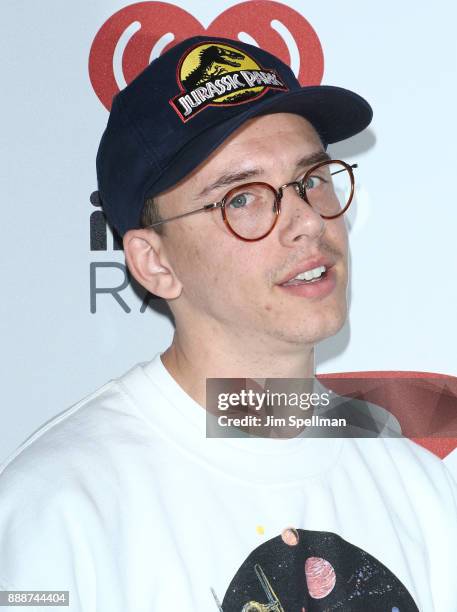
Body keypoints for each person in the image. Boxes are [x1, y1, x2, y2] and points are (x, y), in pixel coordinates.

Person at [0, 35, 456, 612]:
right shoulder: (58, 509)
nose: (307, 223)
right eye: (242, 198)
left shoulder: (418, 488)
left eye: (312, 179)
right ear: (155, 263)